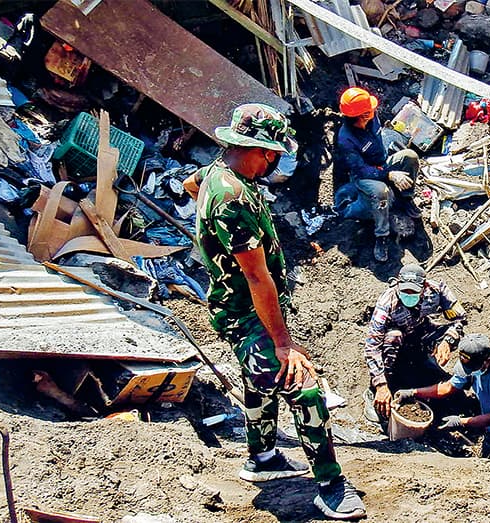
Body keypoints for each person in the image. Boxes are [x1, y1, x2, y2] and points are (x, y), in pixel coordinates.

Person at [184, 103, 365, 521]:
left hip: (237, 305)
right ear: (263, 151)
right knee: (302, 386)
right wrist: (284, 344)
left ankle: (262, 457)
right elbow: (256, 276)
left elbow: (192, 187)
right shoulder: (232, 199)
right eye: (276, 154)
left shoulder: (215, 173)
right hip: (246, 311)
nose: (277, 162)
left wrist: (211, 243)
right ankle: (330, 485)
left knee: (259, 381)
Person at [363, 264, 466, 421]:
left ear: (424, 287)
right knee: (393, 336)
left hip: (420, 334)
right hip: (396, 341)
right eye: (405, 291)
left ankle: (424, 363)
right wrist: (380, 384)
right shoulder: (387, 302)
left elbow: (460, 319)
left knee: (455, 335)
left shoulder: (437, 290)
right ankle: (382, 386)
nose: (409, 295)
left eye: (414, 292)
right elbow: (372, 345)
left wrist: (447, 341)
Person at [333, 87, 421, 262]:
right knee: (381, 192)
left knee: (410, 157)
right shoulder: (346, 139)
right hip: (362, 176)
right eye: (370, 109)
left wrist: (388, 169)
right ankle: (381, 236)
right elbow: (360, 170)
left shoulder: (373, 120)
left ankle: (405, 199)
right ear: (362, 115)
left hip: (381, 164)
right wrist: (389, 176)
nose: (374, 110)